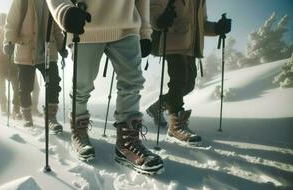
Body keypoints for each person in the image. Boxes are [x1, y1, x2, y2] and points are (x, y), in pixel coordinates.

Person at [47, 0, 164, 174]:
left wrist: (145, 32)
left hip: (127, 25)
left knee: (132, 83)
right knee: (82, 86)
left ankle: (126, 143)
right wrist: (63, 11)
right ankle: (78, 131)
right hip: (84, 24)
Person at [149, 0, 232, 144]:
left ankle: (157, 107)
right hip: (173, 40)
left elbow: (202, 24)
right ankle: (175, 125)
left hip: (191, 47)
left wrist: (217, 28)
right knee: (179, 81)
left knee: (188, 85)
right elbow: (154, 7)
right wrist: (159, 20)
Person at [4, 0, 64, 132]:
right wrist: (9, 42)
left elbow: (57, 27)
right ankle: (27, 116)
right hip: (25, 50)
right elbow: (11, 23)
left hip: (48, 52)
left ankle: (51, 118)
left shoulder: (52, 1)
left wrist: (61, 46)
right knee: (25, 87)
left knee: (53, 83)